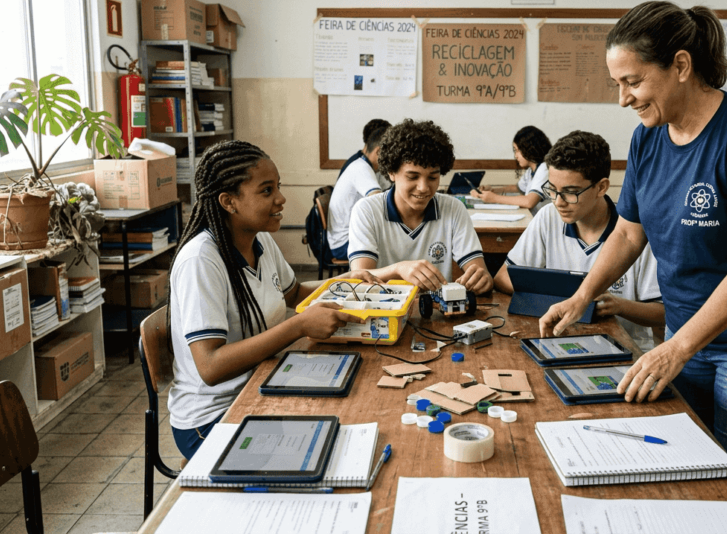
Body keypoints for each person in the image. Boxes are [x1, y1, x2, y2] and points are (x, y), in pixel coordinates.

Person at [540, 2, 727, 504]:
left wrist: (675, 347)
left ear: (682, 66)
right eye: (617, 84)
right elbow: (627, 235)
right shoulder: (649, 137)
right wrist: (582, 295)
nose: (623, 98)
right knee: (684, 466)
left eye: (634, 82)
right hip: (689, 335)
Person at [167, 140, 378, 459]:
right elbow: (210, 367)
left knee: (358, 401)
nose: (281, 199)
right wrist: (299, 326)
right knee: (330, 447)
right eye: (266, 191)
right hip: (212, 418)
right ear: (229, 202)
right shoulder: (201, 260)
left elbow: (293, 294)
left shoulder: (260, 239)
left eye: (277, 187)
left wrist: (342, 282)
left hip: (262, 380)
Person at [494, 130, 664, 351]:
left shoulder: (636, 233)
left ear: (601, 187)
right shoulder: (548, 217)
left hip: (624, 348)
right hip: (561, 340)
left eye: (571, 192)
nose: (558, 202)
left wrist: (619, 306)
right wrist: (572, 298)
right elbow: (502, 277)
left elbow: (664, 313)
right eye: (552, 190)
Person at [348, 119, 493, 294]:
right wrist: (399, 269)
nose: (424, 187)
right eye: (412, 177)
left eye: (432, 178)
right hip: (385, 312)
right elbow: (359, 280)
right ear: (391, 172)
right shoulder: (366, 210)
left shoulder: (454, 208)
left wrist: (482, 279)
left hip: (437, 313)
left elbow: (479, 271)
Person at [327, 119, 392, 261]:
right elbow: (379, 203)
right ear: (379, 151)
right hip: (344, 244)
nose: (391, 160)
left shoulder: (364, 165)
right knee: (397, 243)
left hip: (346, 238)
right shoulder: (361, 168)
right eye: (390, 155)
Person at [469, 126, 550, 211]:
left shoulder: (544, 169)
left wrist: (494, 198)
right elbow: (519, 188)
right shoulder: (531, 170)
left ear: (529, 148)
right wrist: (493, 190)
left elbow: (529, 202)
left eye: (517, 150)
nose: (515, 155)